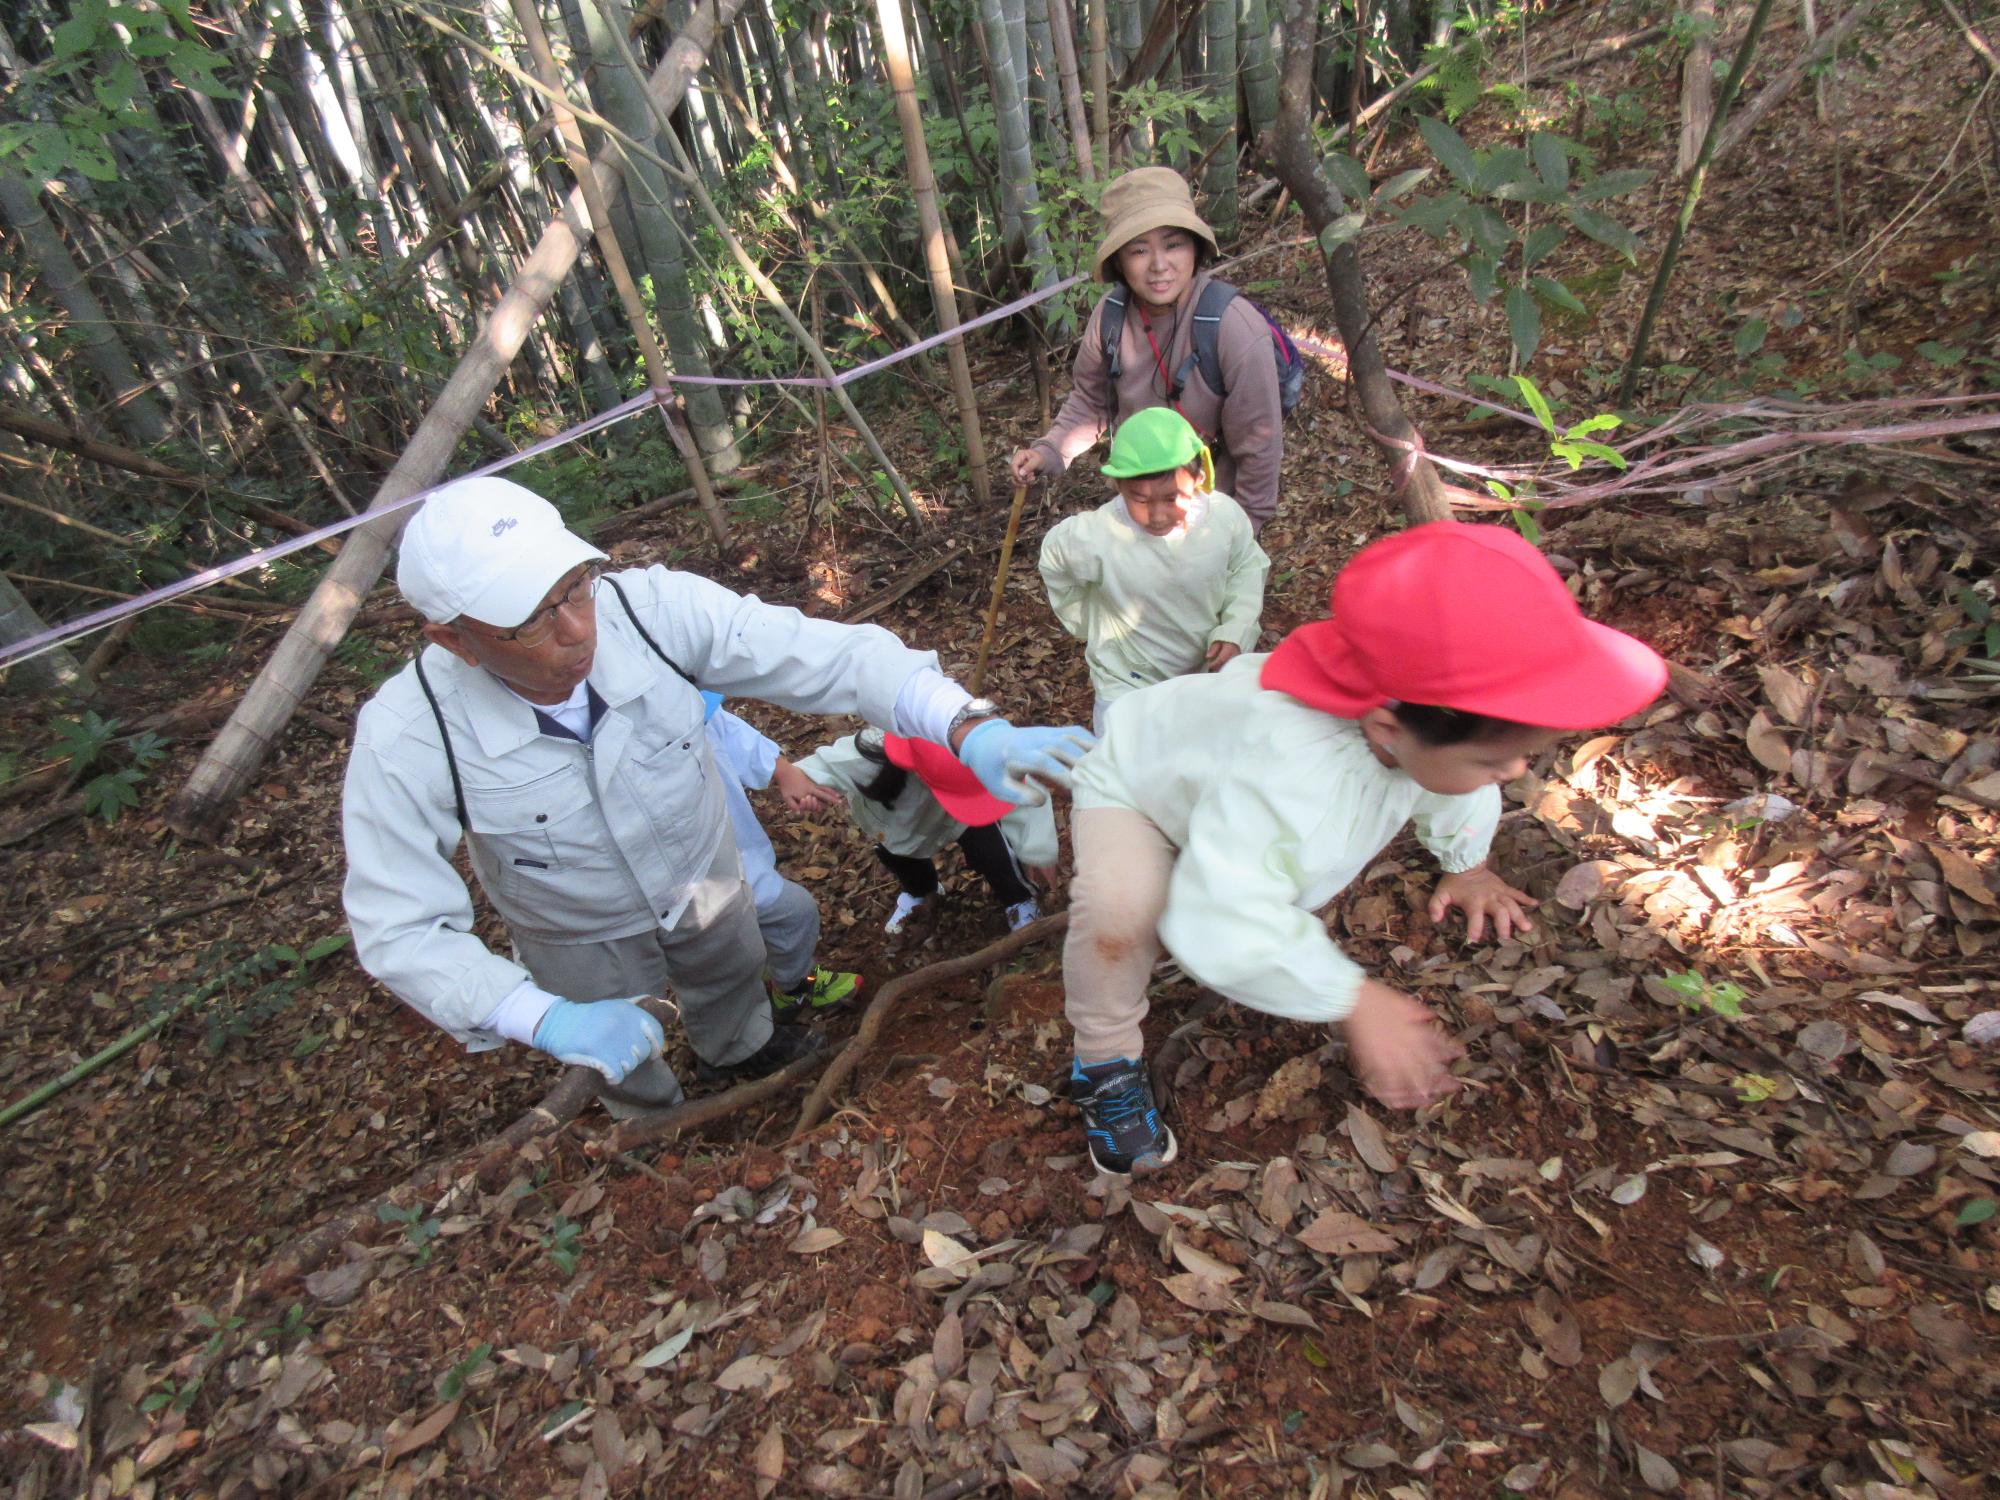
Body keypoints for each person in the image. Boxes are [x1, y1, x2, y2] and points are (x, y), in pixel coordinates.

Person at [342, 476, 1092, 1116]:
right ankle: (656, 1123)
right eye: (534, 618)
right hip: (577, 933)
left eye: (576, 588)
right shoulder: (411, 734)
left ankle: (745, 1054)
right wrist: (539, 1016)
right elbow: (398, 925)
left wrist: (963, 724)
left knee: (731, 981)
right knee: (620, 1054)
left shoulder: (648, 610)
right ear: (454, 640)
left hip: (702, 874)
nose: (578, 630)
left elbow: (824, 652)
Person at [1056, 521, 1667, 1175]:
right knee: (1122, 911)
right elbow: (1220, 920)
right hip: (1139, 788)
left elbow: (1452, 782)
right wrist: (1356, 1000)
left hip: (1222, 795)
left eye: (1520, 755)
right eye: (1498, 757)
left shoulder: (1415, 732)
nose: (1515, 772)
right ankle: (1105, 1062)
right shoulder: (1294, 776)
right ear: (1387, 727)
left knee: (1251, 851)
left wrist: (1469, 866)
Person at [1010, 167, 1284, 531]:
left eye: (1173, 245)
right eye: (1139, 250)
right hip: (1141, 510)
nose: (1158, 265)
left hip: (1216, 511)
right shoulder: (1111, 318)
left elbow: (1259, 445)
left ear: (1195, 247)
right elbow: (1092, 403)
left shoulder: (1234, 327)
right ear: (1119, 263)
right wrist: (1047, 452)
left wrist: (1241, 536)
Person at [1037, 407, 1268, 734]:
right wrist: (1090, 621)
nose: (1158, 514)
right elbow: (1054, 558)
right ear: (1118, 485)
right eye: (1140, 500)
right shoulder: (1096, 534)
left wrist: (1236, 630)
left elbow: (1247, 567)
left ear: (1199, 479)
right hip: (1126, 682)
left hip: (1203, 673)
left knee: (1195, 758)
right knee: (1128, 766)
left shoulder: (1222, 519)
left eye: (1171, 498)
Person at [791, 729, 1057, 935]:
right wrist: (800, 786)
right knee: (899, 856)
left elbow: (1021, 789)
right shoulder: (868, 753)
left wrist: (1039, 849)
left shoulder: (971, 749)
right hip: (895, 825)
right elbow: (811, 770)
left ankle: (1019, 899)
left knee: (992, 848)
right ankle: (921, 891)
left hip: (958, 815)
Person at [698, 692, 857, 1015]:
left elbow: (728, 731)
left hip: (732, 847)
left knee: (772, 919)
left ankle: (780, 981)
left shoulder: (686, 702)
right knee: (790, 914)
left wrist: (783, 771)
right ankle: (791, 988)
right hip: (694, 873)